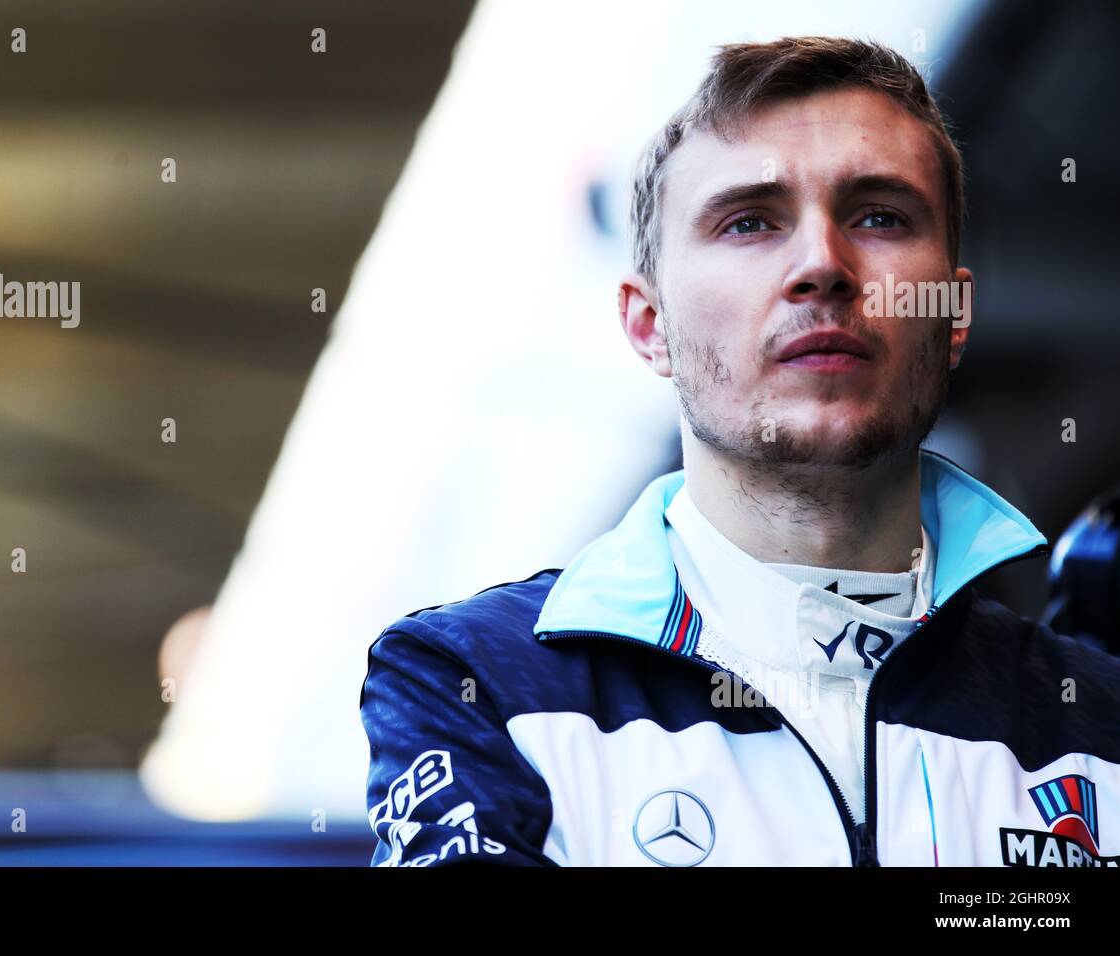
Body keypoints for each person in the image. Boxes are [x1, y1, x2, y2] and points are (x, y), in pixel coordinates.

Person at [358, 36, 1120, 867]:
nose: (823, 265)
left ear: (954, 314)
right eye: (750, 222)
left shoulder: (1096, 719)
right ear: (650, 327)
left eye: (879, 217)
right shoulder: (483, 685)